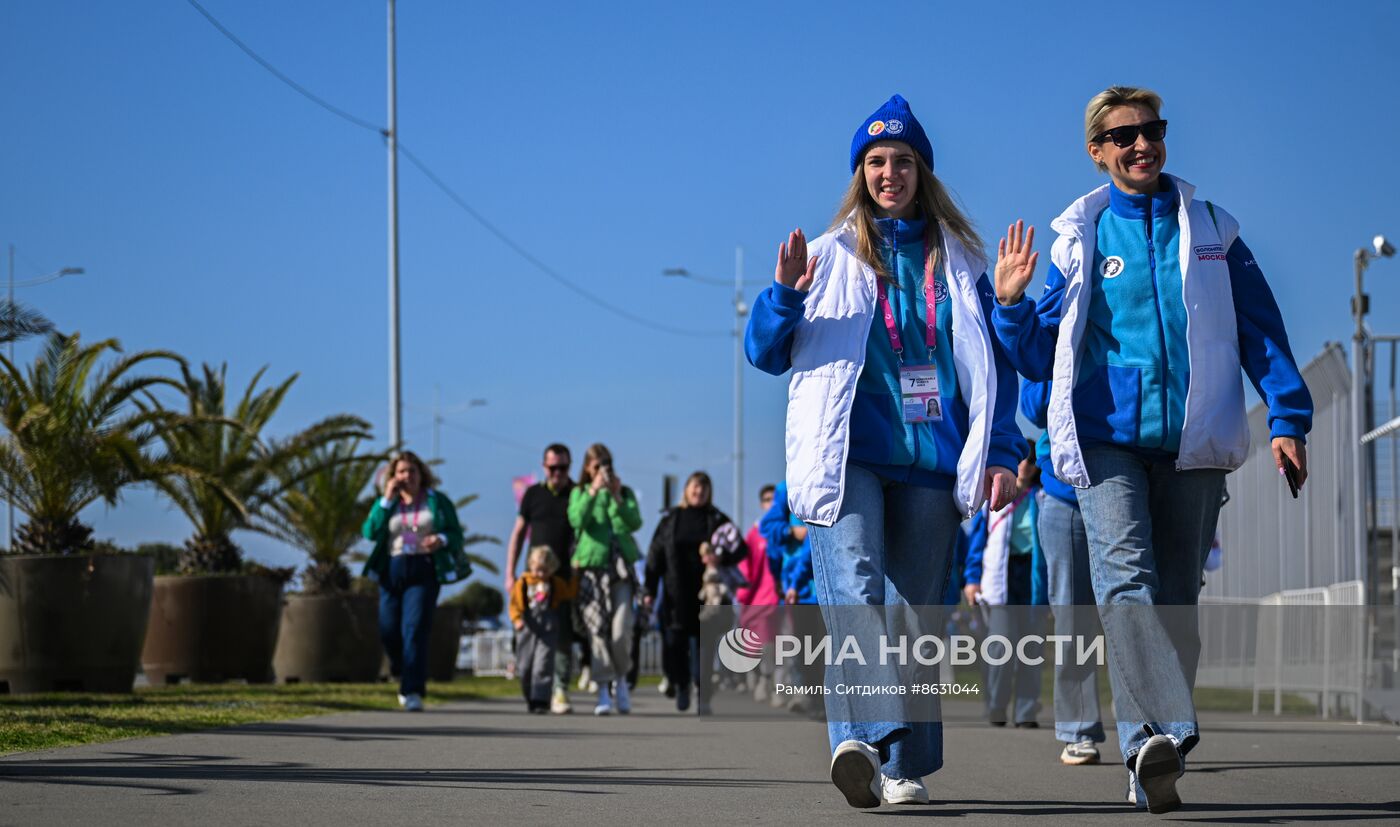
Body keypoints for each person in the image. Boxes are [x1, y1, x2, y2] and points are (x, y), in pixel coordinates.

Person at [989, 86, 1313, 812]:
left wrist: (1287, 417)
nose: (1142, 145)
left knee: (1177, 602)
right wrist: (1011, 307)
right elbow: (1041, 355)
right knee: (1126, 582)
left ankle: (1150, 752)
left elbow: (1261, 332)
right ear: (1097, 151)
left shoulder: (1212, 229)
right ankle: (1149, 738)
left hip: (1194, 440)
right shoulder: (1081, 234)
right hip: (1108, 443)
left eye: (1153, 131)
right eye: (1124, 135)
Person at [745, 94, 1025, 809]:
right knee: (855, 588)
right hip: (849, 458)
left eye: (901, 160)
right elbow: (764, 353)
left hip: (934, 460)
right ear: (860, 173)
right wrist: (781, 295)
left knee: (915, 616)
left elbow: (995, 371)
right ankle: (863, 738)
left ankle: (896, 761)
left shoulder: (961, 260)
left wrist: (999, 450)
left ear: (921, 170)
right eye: (875, 161)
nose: (888, 172)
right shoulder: (830, 255)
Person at [1021, 379, 1106, 765]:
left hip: (1136, 482)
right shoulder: (1054, 322)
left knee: (1138, 611)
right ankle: (1078, 728)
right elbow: (1033, 405)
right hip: (1065, 493)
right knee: (1074, 616)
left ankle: (1155, 729)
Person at [362, 451, 470, 712]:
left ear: (422, 475)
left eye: (412, 471)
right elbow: (370, 532)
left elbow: (456, 534)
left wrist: (441, 540)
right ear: (393, 476)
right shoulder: (387, 503)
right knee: (389, 629)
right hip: (393, 568)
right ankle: (400, 670)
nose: (407, 476)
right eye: (401, 471)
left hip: (424, 568)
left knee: (415, 628)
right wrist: (386, 500)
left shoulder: (437, 501)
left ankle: (413, 690)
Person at [643, 471, 746, 715]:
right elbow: (654, 555)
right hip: (675, 593)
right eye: (694, 488)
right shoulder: (671, 519)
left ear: (708, 492)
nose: (698, 493)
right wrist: (649, 588)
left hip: (707, 594)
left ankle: (704, 694)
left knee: (705, 646)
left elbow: (741, 548)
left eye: (703, 489)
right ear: (686, 490)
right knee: (674, 643)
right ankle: (680, 685)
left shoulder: (717, 518)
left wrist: (721, 557)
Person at [963, 439, 1047, 729]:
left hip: (1033, 578)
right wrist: (972, 579)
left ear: (1036, 467)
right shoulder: (995, 497)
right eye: (1021, 459)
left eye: (1030, 461)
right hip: (999, 575)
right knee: (999, 647)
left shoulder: (1043, 498)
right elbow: (977, 540)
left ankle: (1025, 711)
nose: (1024, 465)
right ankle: (997, 705)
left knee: (1031, 648)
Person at [568, 443, 643, 716]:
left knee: (621, 630)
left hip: (620, 567)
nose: (602, 470)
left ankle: (621, 680)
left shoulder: (623, 493)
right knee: (596, 630)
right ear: (588, 468)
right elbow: (577, 520)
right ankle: (602, 688)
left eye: (606, 464)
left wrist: (616, 498)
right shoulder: (579, 492)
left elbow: (633, 524)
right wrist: (592, 491)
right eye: (596, 465)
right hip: (591, 568)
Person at [506, 443, 577, 714]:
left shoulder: (576, 494)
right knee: (526, 636)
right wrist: (509, 573)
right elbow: (518, 533)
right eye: (552, 467)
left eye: (563, 467)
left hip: (563, 577)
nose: (558, 472)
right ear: (544, 467)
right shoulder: (533, 494)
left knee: (560, 637)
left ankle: (559, 689)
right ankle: (530, 686)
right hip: (533, 578)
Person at [509, 546, 579, 713]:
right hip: (527, 628)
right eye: (538, 570)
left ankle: (540, 700)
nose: (541, 575)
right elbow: (514, 605)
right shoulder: (523, 583)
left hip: (548, 627)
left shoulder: (555, 583)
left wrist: (575, 576)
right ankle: (530, 696)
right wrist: (517, 620)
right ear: (531, 565)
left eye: (545, 571)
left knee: (544, 664)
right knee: (525, 665)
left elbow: (570, 593)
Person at [737, 484, 781, 702]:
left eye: (774, 498)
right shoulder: (755, 533)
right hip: (762, 600)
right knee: (766, 645)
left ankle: (781, 687)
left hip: (787, 599)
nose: (770, 502)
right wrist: (743, 593)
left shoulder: (789, 528)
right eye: (766, 499)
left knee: (789, 646)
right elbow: (746, 567)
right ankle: (765, 680)